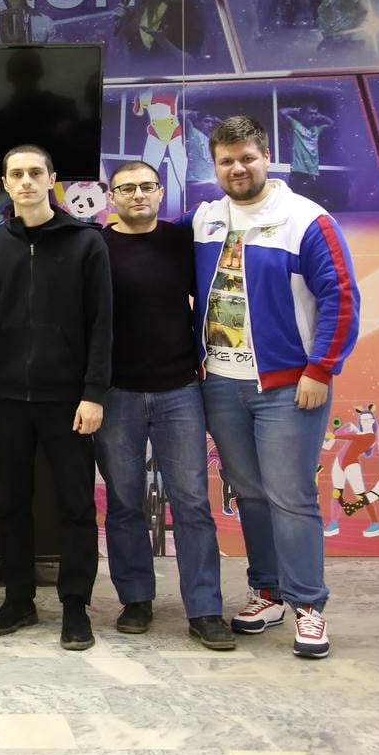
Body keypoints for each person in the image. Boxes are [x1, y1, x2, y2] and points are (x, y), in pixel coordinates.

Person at [183, 115, 359, 659]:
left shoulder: (306, 219)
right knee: (251, 495)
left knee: (290, 496)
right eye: (226, 161)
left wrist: (320, 369)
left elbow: (341, 298)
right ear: (214, 166)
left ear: (266, 157)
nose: (237, 168)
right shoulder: (205, 220)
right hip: (220, 384)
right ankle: (268, 593)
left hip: (289, 387)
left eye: (247, 158)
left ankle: (308, 605)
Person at [0, 144, 111, 651]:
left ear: (52, 179)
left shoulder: (87, 243)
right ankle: (18, 600)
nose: (26, 181)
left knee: (75, 505)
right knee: (9, 503)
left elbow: (101, 325)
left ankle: (75, 607)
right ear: (5, 183)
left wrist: (93, 393)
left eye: (35, 173)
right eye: (16, 174)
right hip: (5, 399)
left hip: (68, 401)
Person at [96, 160, 234, 651]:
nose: (138, 195)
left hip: (180, 390)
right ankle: (136, 599)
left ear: (160, 192)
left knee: (192, 503)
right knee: (124, 502)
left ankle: (205, 608)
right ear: (111, 197)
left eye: (147, 186)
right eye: (127, 188)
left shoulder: (182, 242)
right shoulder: (96, 247)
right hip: (116, 394)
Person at [280, 104, 334, 197]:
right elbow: (281, 112)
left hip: (313, 173)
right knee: (295, 201)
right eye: (310, 113)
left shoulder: (316, 129)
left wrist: (319, 116)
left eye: (315, 114)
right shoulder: (296, 125)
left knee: (312, 202)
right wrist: (296, 110)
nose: (313, 116)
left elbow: (331, 123)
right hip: (298, 172)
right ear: (303, 115)